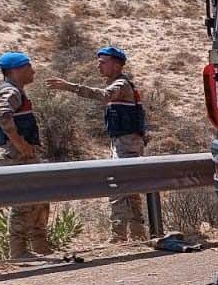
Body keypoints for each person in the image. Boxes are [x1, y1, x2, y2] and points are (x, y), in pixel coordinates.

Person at [44, 46, 149, 241]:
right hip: (125, 143)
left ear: (117, 65)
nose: (98, 66)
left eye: (103, 62)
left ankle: (118, 236)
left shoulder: (120, 85)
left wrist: (71, 87)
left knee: (117, 188)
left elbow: (103, 95)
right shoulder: (121, 84)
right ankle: (137, 235)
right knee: (131, 191)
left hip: (126, 145)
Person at [0, 51, 51, 258]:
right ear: (16, 70)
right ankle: (18, 253)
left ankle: (40, 248)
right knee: (23, 203)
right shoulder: (10, 91)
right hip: (15, 155)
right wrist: (19, 143)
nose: (33, 71)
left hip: (22, 155)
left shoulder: (16, 91)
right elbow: (1, 113)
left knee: (38, 202)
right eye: (28, 67)